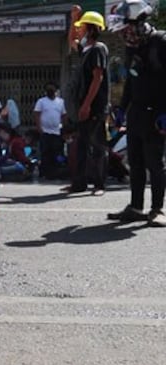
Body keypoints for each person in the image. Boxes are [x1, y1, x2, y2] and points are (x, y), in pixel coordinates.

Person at [106, 0, 166, 226]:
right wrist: (122, 108)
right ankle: (136, 206)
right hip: (137, 113)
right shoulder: (132, 49)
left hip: (158, 115)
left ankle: (158, 209)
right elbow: (131, 81)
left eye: (126, 30)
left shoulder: (160, 43)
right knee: (136, 162)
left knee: (155, 162)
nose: (123, 35)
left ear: (138, 24)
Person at [70, 11, 111, 196]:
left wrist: (87, 105)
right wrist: (73, 19)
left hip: (95, 107)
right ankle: (78, 184)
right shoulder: (85, 50)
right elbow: (71, 41)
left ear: (91, 29)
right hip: (83, 106)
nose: (79, 31)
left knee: (98, 146)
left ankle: (100, 185)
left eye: (82, 27)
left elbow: (98, 78)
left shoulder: (98, 49)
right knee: (81, 145)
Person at [34, 82, 68, 179]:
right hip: (45, 132)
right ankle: (44, 173)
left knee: (56, 153)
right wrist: (39, 128)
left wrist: (64, 129)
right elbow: (36, 114)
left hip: (56, 132)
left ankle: (55, 173)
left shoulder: (60, 102)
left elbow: (64, 115)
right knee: (45, 153)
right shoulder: (41, 101)